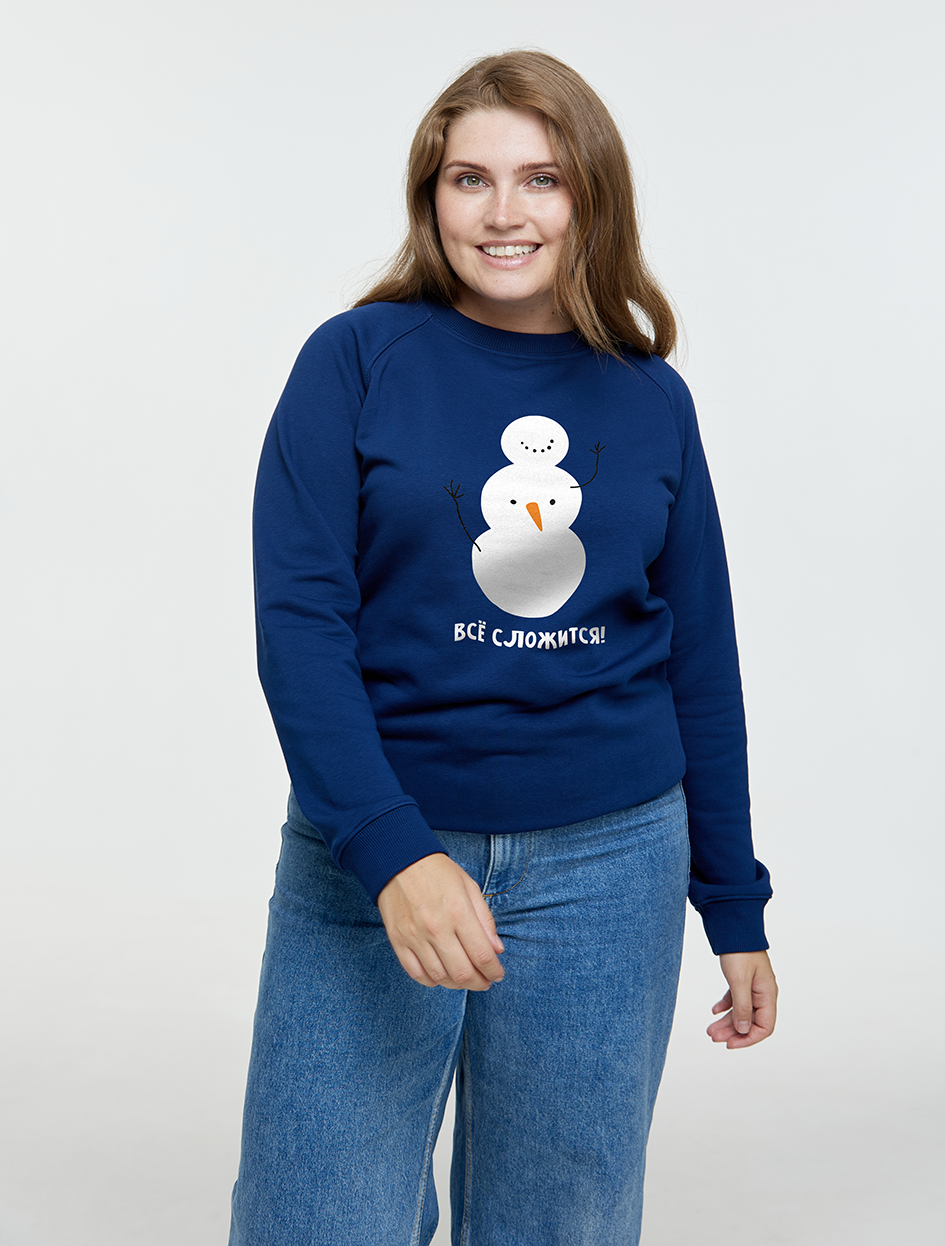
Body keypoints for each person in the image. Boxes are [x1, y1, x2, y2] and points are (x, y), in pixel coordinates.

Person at [229, 49, 777, 1246]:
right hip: (373, 851)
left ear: (591, 195)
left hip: (610, 866)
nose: (503, 211)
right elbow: (299, 628)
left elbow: (700, 659)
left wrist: (733, 900)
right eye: (469, 178)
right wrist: (392, 852)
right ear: (431, 197)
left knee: (558, 1228)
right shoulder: (353, 361)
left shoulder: (650, 398)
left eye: (541, 178)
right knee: (313, 1221)